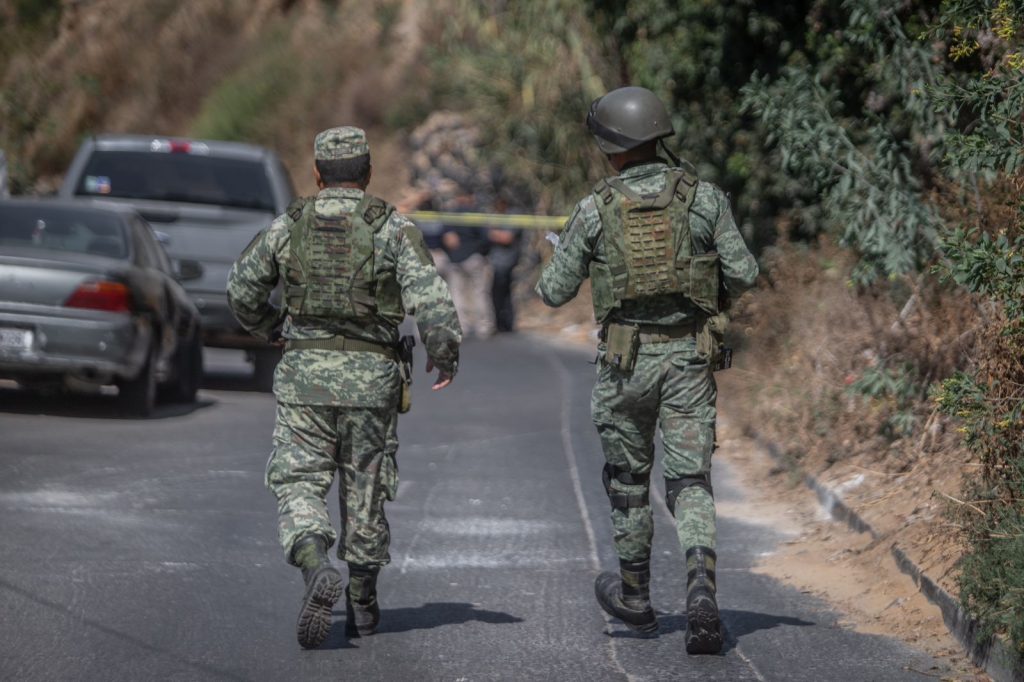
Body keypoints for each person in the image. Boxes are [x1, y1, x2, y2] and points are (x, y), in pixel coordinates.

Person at [536, 87, 758, 654]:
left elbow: (553, 293)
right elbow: (746, 272)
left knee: (629, 483)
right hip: (689, 359)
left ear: (612, 149)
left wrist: (564, 255)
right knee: (689, 482)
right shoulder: (703, 198)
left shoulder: (595, 207)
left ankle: (636, 598)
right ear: (658, 136)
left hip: (624, 363)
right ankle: (701, 589)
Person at [227, 127, 461, 649]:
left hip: (303, 376)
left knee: (299, 482)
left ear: (316, 173)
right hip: (371, 380)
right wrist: (443, 354)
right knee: (366, 488)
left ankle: (315, 564)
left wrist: (270, 328)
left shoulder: (290, 223)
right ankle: (363, 601)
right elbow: (434, 303)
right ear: (369, 172)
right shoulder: (393, 227)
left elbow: (240, 288)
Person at [441, 191, 496, 338]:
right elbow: (486, 238)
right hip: (474, 259)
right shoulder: (476, 213)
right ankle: (483, 327)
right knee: (480, 293)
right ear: (471, 197)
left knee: (457, 294)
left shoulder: (450, 215)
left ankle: (461, 326)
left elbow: (445, 238)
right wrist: (481, 253)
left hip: (455, 260)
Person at [487, 196, 522, 333]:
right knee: (496, 294)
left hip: (508, 262)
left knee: (506, 294)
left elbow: (507, 238)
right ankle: (498, 322)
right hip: (495, 262)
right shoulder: (495, 216)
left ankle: (508, 323)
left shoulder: (513, 216)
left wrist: (492, 233)